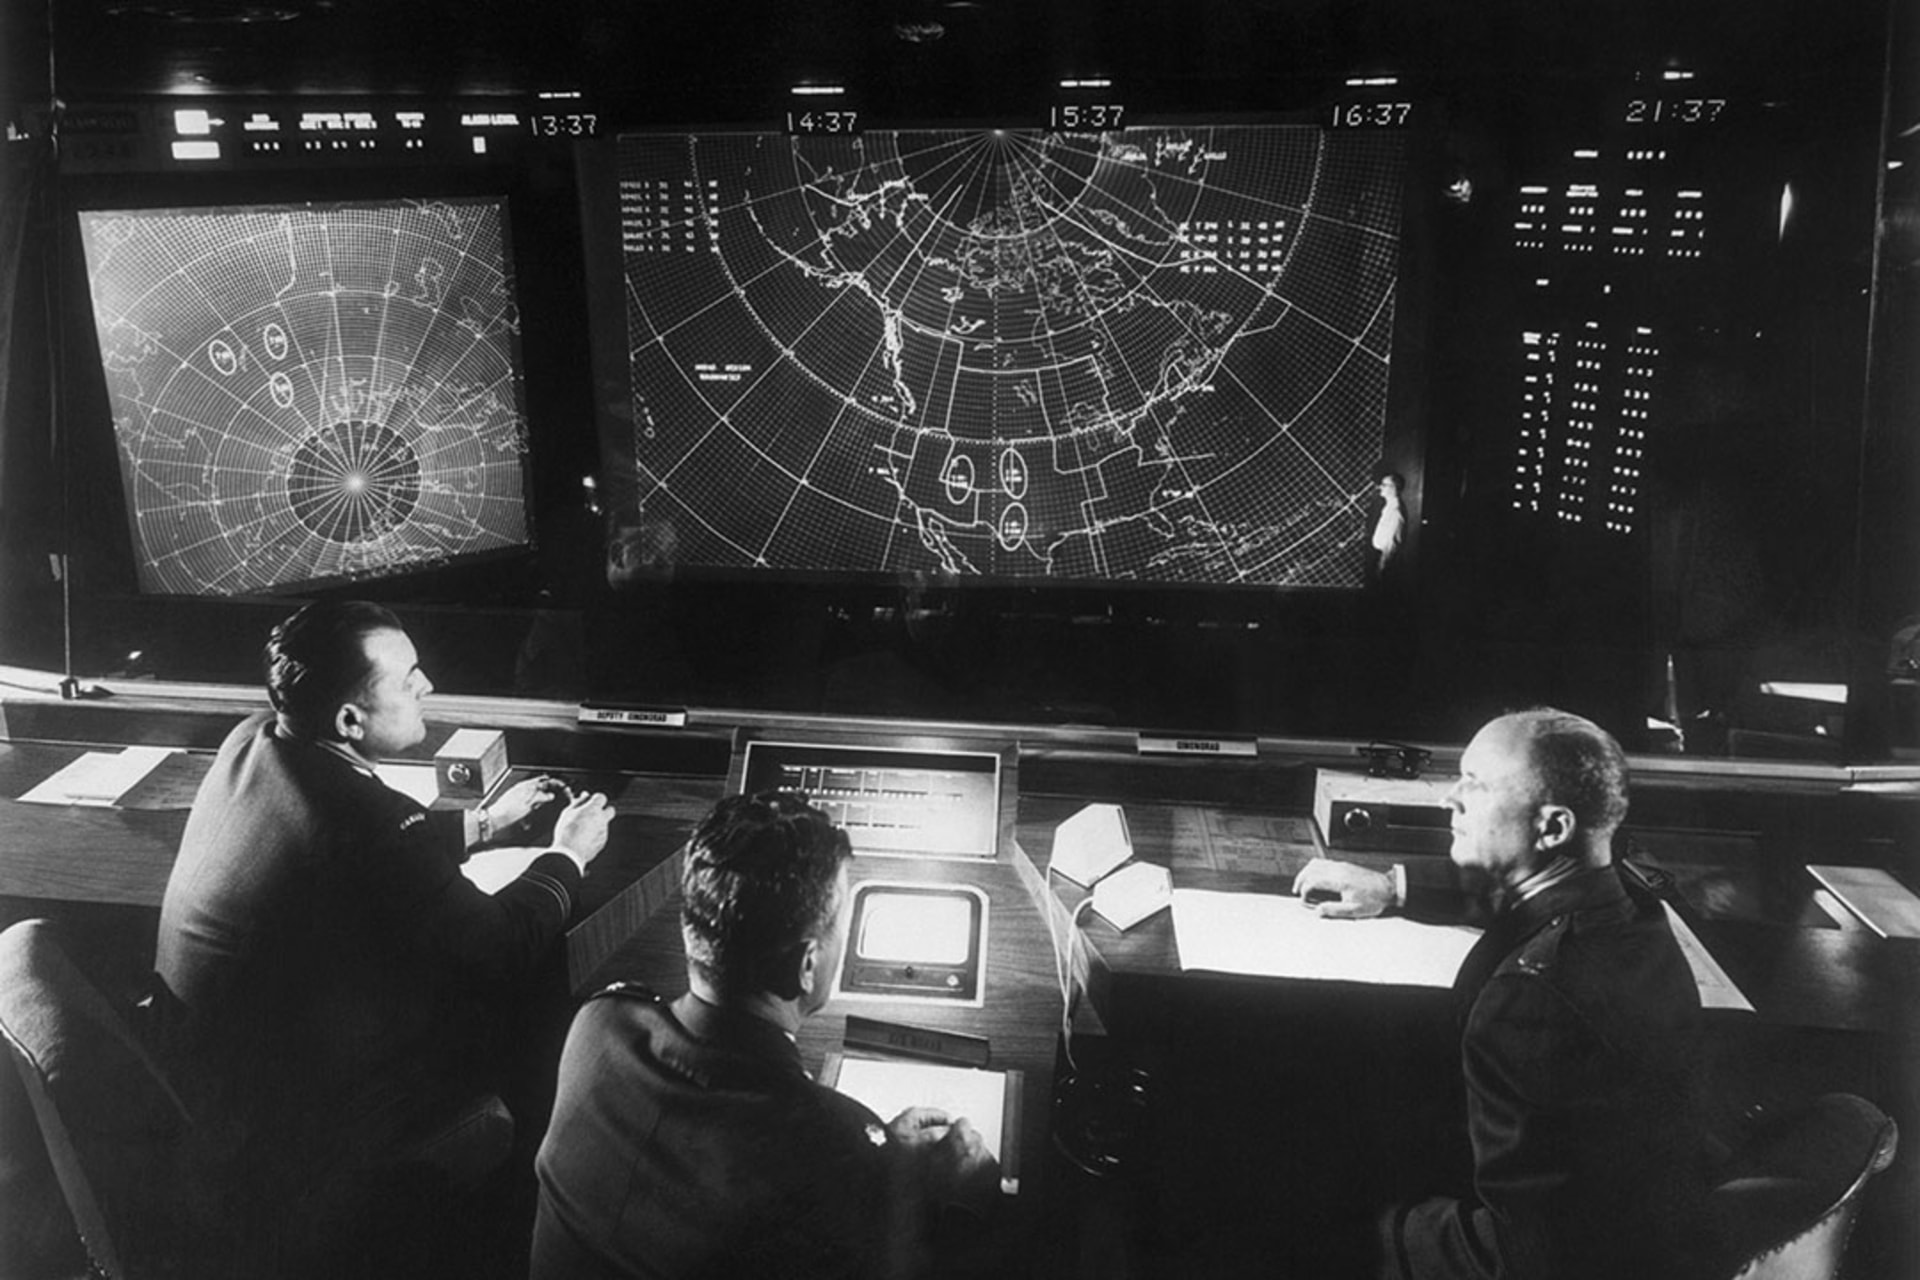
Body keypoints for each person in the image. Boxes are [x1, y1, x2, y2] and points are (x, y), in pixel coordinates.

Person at [152, 600, 613, 1236]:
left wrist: (481, 824)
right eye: (406, 679)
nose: (427, 686)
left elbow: (358, 854)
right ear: (349, 719)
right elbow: (502, 943)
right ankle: (513, 1224)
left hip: (214, 1083)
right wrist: (569, 853)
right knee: (535, 1013)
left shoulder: (256, 739)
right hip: (298, 1130)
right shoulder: (366, 825)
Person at [1292, 708, 1709, 1280]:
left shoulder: (1528, 999)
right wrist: (1391, 888)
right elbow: (1513, 896)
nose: (1449, 798)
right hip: (1630, 1210)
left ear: (1553, 828)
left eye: (1476, 785)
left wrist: (1381, 1232)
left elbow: (1527, 1253)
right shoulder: (1626, 902)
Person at [531, 791, 1000, 1280]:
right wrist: (962, 1206)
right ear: (808, 964)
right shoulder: (832, 1150)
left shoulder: (600, 1022)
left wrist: (883, 1158)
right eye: (842, 923)